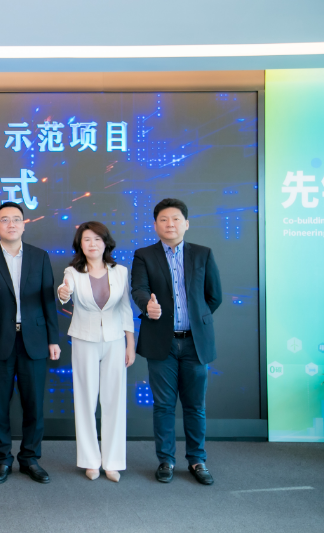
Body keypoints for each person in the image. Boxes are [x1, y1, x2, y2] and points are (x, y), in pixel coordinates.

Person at [130, 198, 222, 485]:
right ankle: (166, 460)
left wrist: (197, 318)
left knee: (195, 406)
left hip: (195, 343)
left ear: (186, 224)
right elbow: (138, 288)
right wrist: (148, 306)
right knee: (164, 405)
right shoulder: (144, 255)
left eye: (176, 219)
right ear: (155, 225)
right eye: (164, 219)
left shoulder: (203, 254)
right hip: (162, 343)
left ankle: (197, 460)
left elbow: (214, 296)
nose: (170, 224)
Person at [0, 202, 61, 484]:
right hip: (0, 341)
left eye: (16, 219)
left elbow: (48, 301)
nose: (11, 224)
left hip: (34, 340)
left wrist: (53, 339)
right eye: (4, 220)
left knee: (34, 404)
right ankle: (1, 460)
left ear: (24, 224)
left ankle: (30, 458)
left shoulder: (40, 256)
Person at [57, 221, 135, 483]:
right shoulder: (72, 272)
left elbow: (125, 308)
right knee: (85, 400)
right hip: (84, 339)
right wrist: (63, 293)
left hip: (115, 340)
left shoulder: (120, 271)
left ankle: (112, 462)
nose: (92, 244)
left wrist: (130, 343)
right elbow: (64, 294)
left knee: (114, 401)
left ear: (106, 243)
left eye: (97, 239)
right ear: (80, 244)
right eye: (87, 239)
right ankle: (90, 461)